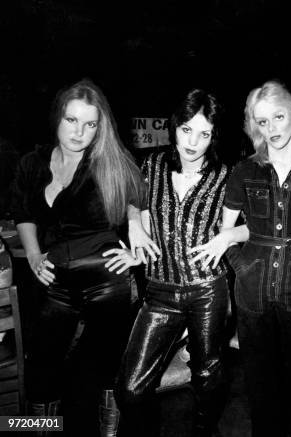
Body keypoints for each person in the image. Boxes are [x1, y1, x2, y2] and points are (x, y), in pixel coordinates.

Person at [191, 80, 291, 437]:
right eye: (262, 122)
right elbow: (225, 234)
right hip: (252, 297)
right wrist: (243, 271)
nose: (271, 129)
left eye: (278, 117)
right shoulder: (245, 171)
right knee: (262, 392)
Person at [11, 79, 146, 436]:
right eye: (72, 120)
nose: (79, 132)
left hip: (107, 281)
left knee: (106, 369)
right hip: (53, 280)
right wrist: (34, 254)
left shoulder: (108, 163)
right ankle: (41, 431)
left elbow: (137, 196)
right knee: (42, 368)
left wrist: (137, 235)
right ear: (58, 117)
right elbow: (23, 210)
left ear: (99, 128)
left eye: (90, 124)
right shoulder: (32, 163)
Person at [106, 89, 232, 437]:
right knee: (129, 389)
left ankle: (204, 430)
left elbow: (254, 225)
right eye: (187, 129)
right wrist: (135, 234)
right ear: (174, 127)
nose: (193, 141)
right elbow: (138, 202)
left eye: (204, 133)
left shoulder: (227, 175)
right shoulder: (154, 165)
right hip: (160, 290)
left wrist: (228, 237)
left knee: (207, 377)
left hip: (207, 289)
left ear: (213, 137)